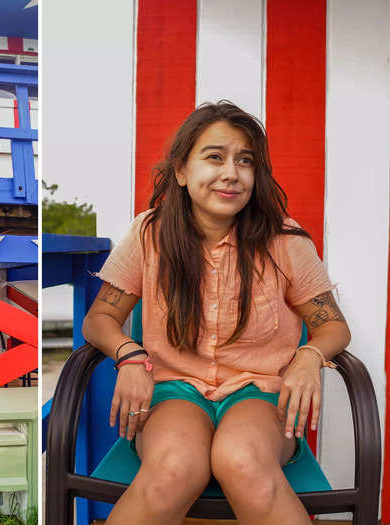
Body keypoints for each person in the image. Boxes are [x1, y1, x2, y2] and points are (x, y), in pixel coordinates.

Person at [82, 101, 351, 525]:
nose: (231, 173)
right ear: (182, 172)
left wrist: (309, 356)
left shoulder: (287, 241)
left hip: (258, 394)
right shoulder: (148, 233)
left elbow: (332, 326)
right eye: (214, 157)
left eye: (245, 161)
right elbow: (99, 319)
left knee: (239, 458)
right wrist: (128, 354)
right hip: (174, 392)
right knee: (175, 466)